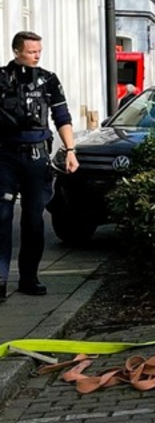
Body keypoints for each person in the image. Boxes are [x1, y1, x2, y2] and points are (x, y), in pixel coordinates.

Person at [0, 31, 79, 299]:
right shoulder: (1, 79)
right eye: (32, 51)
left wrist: (70, 150)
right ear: (17, 51)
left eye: (39, 51)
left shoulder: (48, 80)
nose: (37, 55)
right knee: (2, 217)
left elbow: (62, 116)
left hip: (36, 156)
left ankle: (29, 278)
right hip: (5, 156)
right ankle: (0, 278)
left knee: (34, 219)